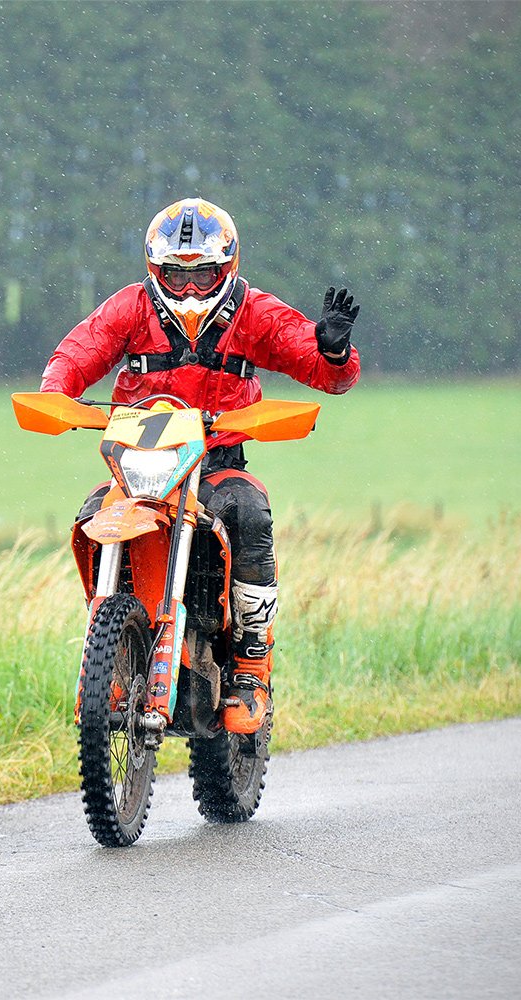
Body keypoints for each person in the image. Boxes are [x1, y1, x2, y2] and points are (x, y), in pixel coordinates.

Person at [40, 197, 361, 734]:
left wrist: (332, 351)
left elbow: (325, 373)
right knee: (93, 513)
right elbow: (77, 353)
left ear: (226, 268)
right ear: (155, 270)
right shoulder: (130, 307)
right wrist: (56, 394)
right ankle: (110, 645)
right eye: (177, 275)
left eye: (202, 275)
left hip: (216, 466)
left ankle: (251, 664)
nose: (189, 289)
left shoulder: (254, 311)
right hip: (139, 469)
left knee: (251, 512)